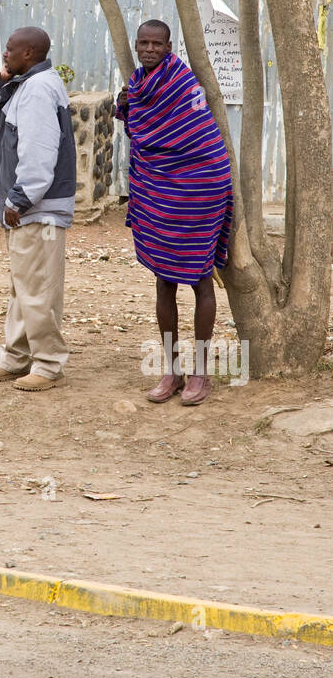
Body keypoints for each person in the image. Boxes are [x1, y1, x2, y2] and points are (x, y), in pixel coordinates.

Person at [115, 20, 233, 407]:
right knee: (163, 282)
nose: (149, 49)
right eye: (143, 43)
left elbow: (194, 131)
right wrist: (127, 102)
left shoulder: (182, 81)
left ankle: (200, 373)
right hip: (156, 189)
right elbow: (142, 130)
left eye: (157, 44)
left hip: (199, 186)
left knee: (200, 279)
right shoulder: (137, 84)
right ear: (135, 45)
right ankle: (172, 369)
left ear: (169, 46)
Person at [0, 26, 77, 392]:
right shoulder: (28, 83)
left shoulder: (38, 90)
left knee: (37, 289)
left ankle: (49, 364)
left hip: (38, 207)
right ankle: (16, 357)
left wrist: (20, 198)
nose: (5, 55)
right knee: (23, 286)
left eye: (10, 51)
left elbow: (39, 152)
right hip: (33, 206)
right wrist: (2, 80)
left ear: (29, 53)